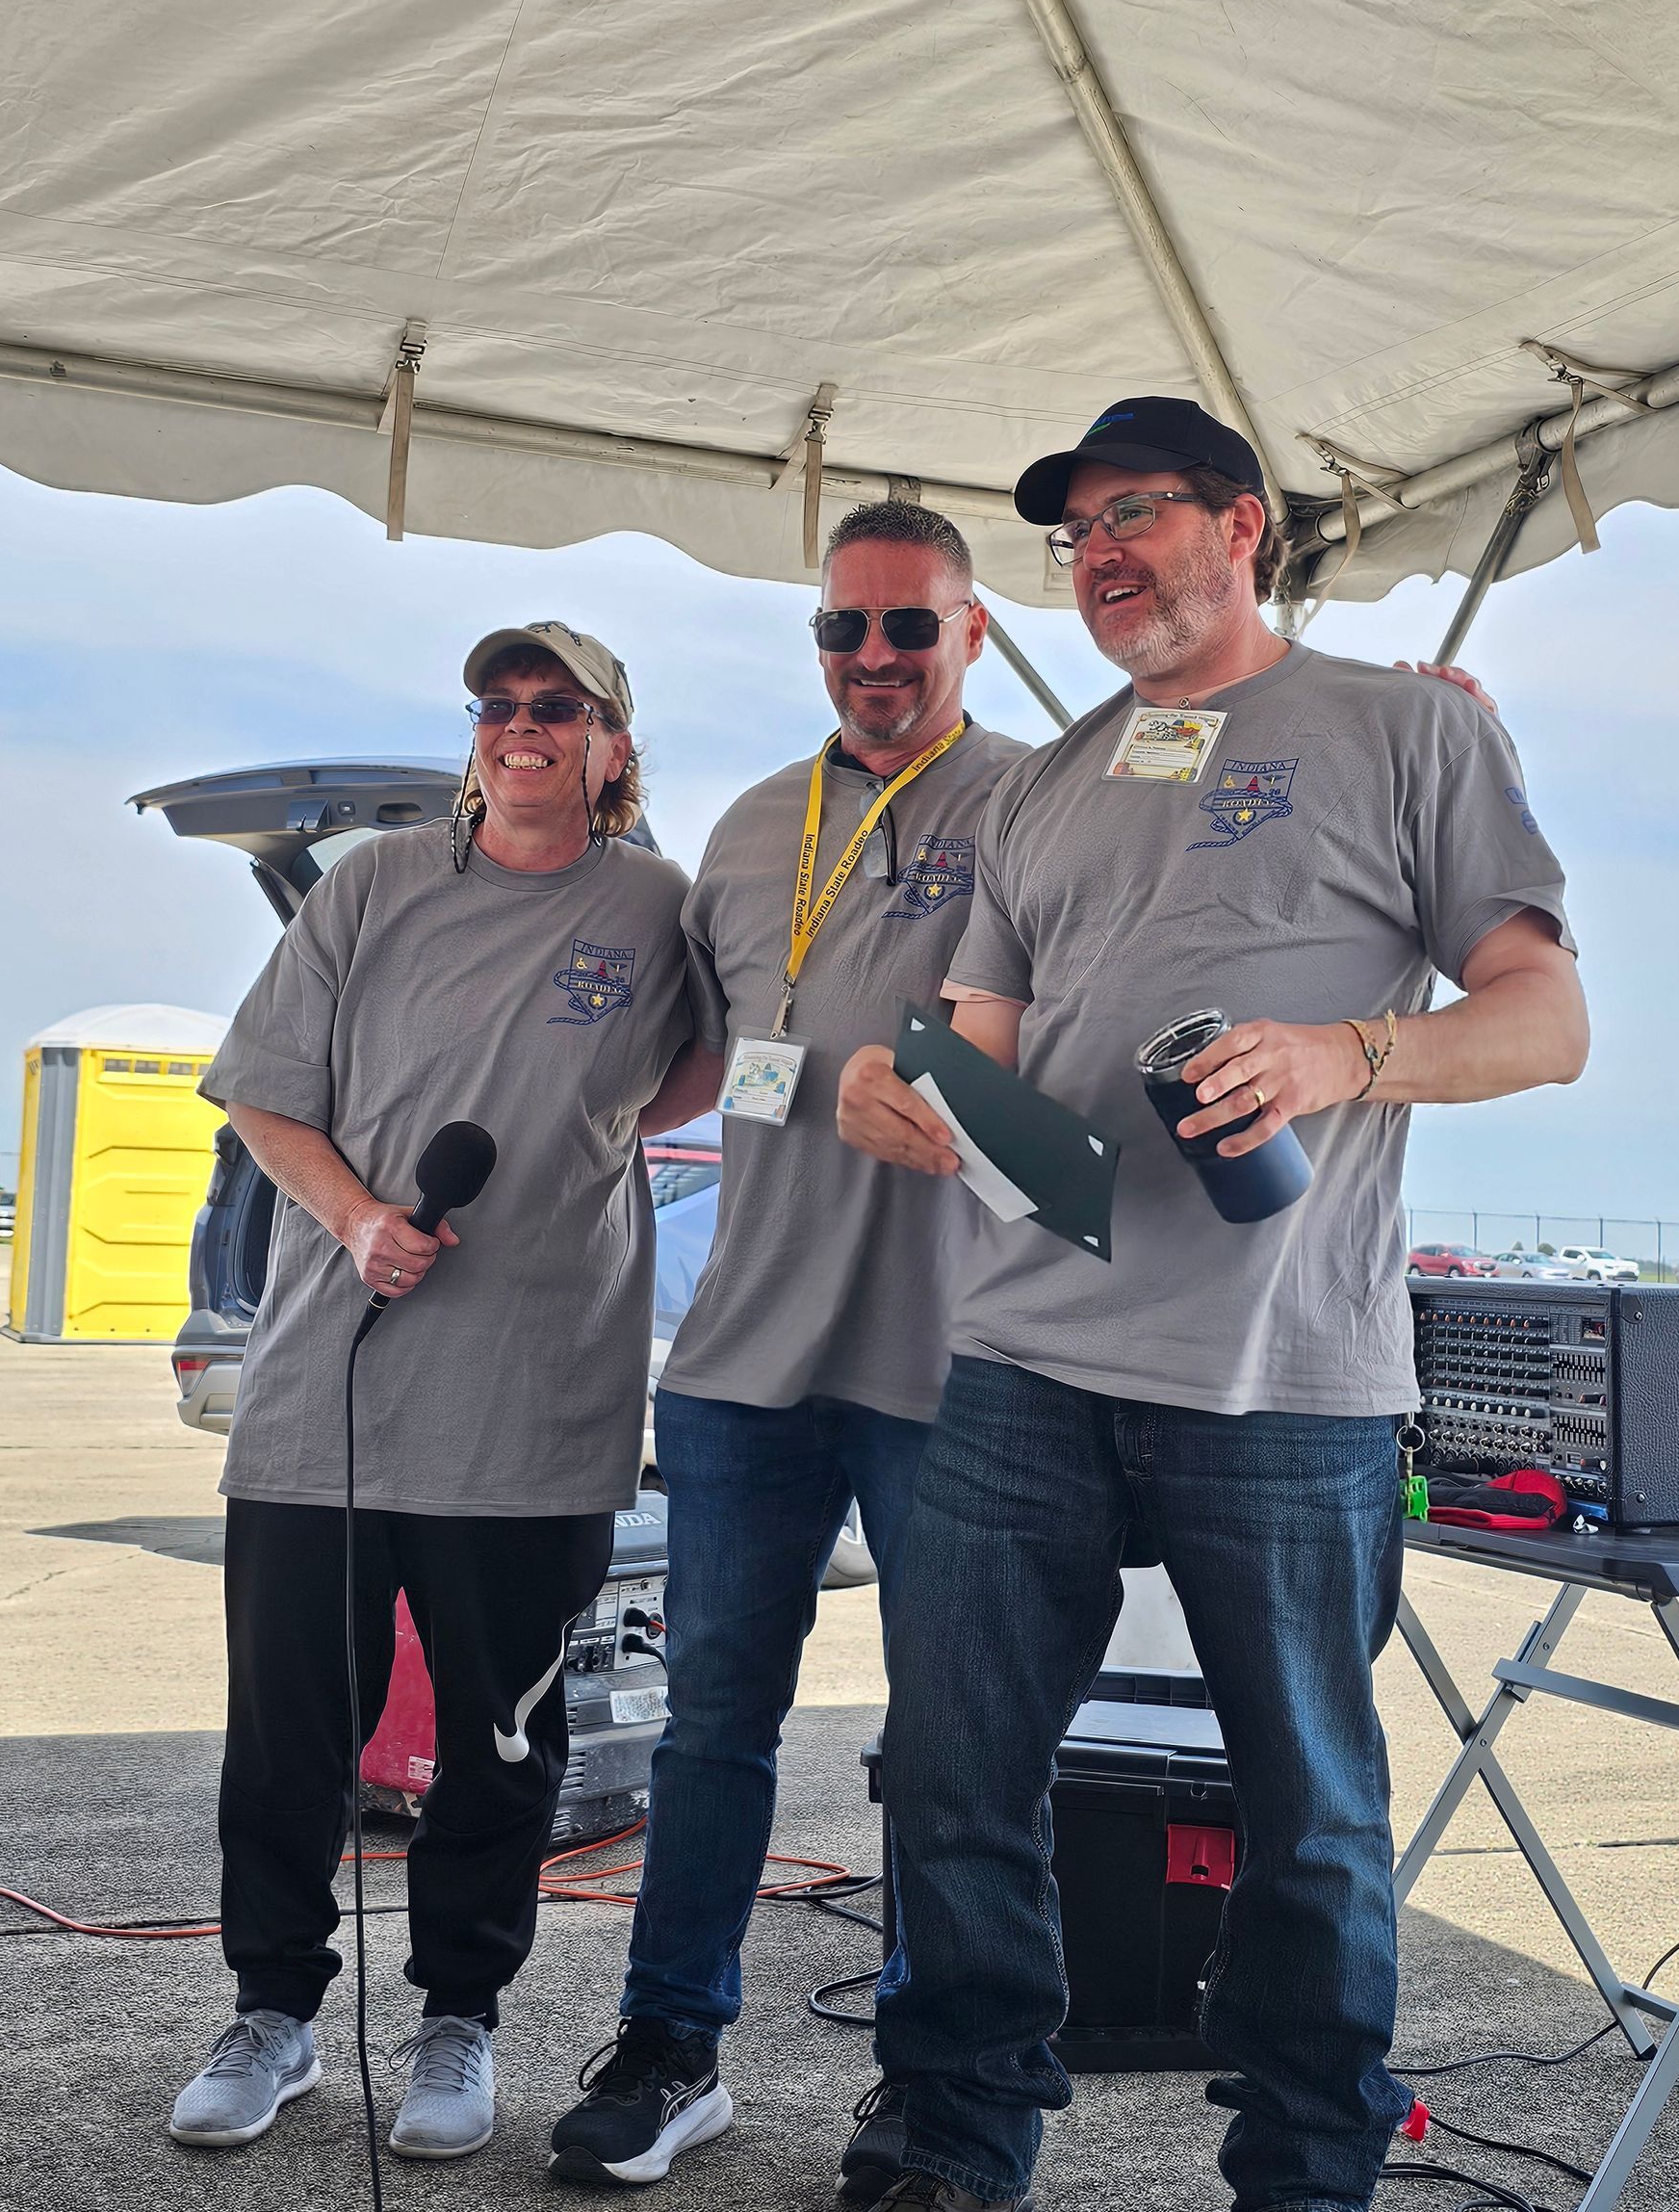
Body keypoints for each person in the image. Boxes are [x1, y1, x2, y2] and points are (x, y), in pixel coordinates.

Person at [837, 398, 1589, 2212]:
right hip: (1024, 1354)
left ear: (1244, 525)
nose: (1099, 555)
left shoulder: (1408, 728)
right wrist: (898, 1085)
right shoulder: (1041, 782)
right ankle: (956, 2136)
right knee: (949, 1778)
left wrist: (1345, 1053)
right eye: (1077, 532)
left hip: (1289, 1375)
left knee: (1310, 1813)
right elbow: (977, 1046)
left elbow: (1548, 1018)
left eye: (1136, 515)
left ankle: (1308, 2168)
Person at [547, 503, 1027, 2199]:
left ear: (973, 631)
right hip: (743, 1363)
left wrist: (1415, 717)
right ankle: (672, 2044)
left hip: (955, 1364)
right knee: (708, 1733)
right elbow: (701, 1058)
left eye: (910, 625)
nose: (874, 657)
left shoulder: (1042, 803)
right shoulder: (753, 827)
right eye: (844, 628)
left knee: (961, 1750)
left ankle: (935, 2087)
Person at [169, 621, 692, 2164]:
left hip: (535, 1409)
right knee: (286, 1741)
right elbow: (264, 1095)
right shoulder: (373, 887)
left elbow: (724, 1060)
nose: (522, 725)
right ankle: (272, 2015)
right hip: (324, 1400)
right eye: (497, 704)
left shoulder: (660, 906)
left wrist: (600, 1126)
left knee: (501, 1747)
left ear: (612, 743)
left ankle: (459, 2018)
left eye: (558, 706)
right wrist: (356, 1221)